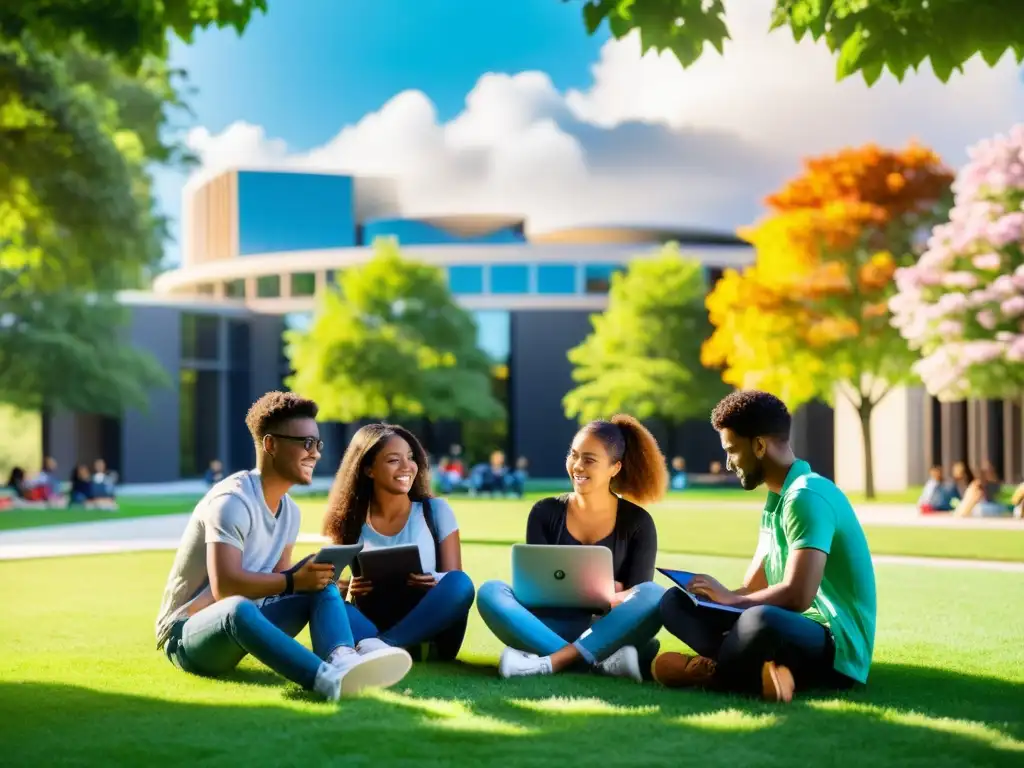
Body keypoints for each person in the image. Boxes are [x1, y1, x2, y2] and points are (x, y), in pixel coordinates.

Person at [155, 392, 412, 701]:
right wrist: (293, 579)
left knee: (321, 583)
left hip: (247, 627)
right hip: (190, 636)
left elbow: (276, 586)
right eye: (305, 443)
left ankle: (344, 658)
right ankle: (325, 680)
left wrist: (308, 576)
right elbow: (225, 587)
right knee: (237, 608)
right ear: (271, 445)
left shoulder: (290, 511)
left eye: (317, 444)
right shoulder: (231, 502)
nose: (315, 454)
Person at [653, 390, 876, 703]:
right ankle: (762, 674)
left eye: (732, 451)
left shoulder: (806, 496)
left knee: (760, 620)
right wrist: (714, 597)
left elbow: (797, 596)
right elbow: (753, 588)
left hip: (833, 646)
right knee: (675, 602)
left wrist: (731, 601)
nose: (728, 464)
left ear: (759, 445)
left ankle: (714, 675)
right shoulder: (776, 501)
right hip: (788, 630)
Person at [477, 414, 669, 682]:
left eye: (589, 460)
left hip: (605, 626)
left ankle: (547, 662)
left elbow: (637, 596)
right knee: (490, 592)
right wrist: (607, 590)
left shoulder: (638, 523)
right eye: (574, 455)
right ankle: (598, 662)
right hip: (549, 624)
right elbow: (535, 589)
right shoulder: (545, 512)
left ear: (615, 467)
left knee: (654, 594)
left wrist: (612, 595)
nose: (577, 466)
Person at [323, 423, 476, 662]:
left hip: (431, 624)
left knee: (461, 582)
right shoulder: (349, 522)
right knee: (327, 600)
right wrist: (349, 589)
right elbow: (333, 591)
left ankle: (387, 645)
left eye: (411, 457)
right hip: (375, 619)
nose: (407, 467)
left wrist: (435, 580)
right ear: (368, 469)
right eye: (394, 460)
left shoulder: (435, 510)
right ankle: (384, 646)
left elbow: (455, 584)